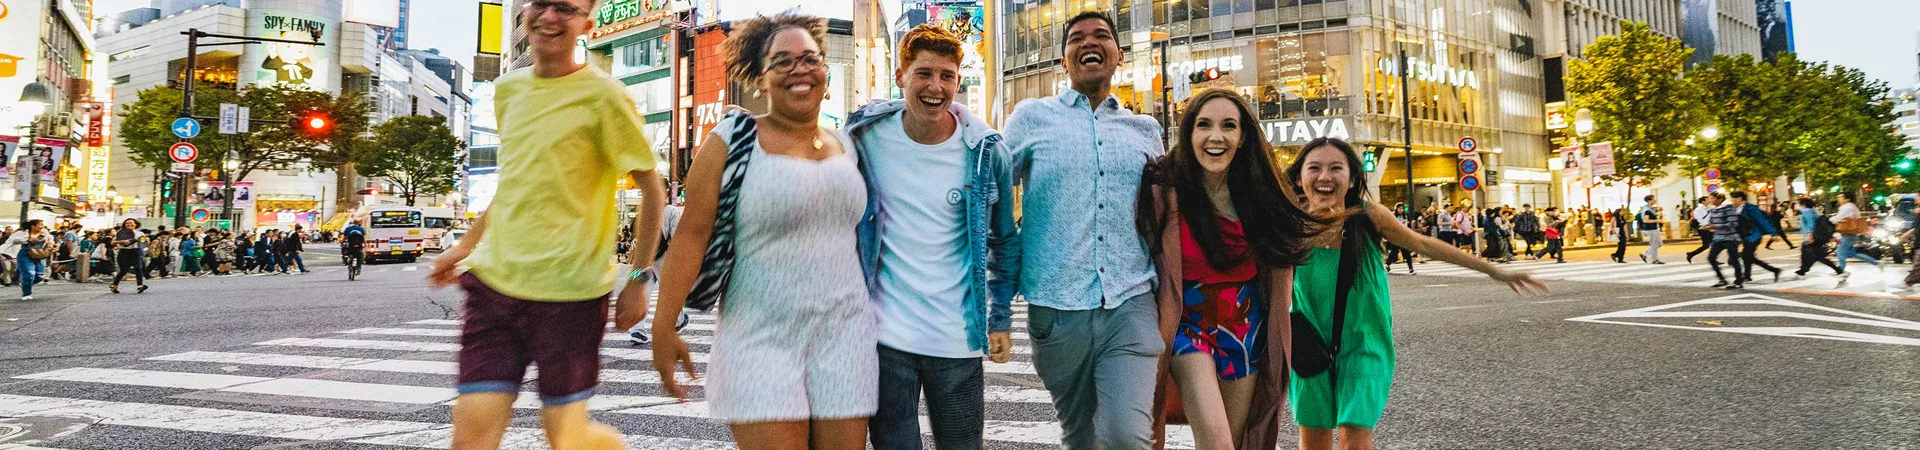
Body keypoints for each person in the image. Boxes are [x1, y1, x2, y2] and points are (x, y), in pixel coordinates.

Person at [425, 0, 667, 447]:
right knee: (471, 435)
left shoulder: (605, 96)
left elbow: (654, 190)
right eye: (541, 3)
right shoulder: (507, 90)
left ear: (586, 24)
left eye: (566, 8)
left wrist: (638, 278)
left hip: (570, 295)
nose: (549, 17)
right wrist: (464, 246)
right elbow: (515, 184)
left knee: (568, 440)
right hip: (494, 287)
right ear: (524, 12)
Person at [646, 12, 867, 450]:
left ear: (824, 69)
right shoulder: (732, 138)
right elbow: (692, 234)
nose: (799, 69)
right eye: (782, 61)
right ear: (761, 78)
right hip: (760, 342)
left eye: (810, 58)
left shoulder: (848, 145)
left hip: (846, 339)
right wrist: (663, 325)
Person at [1286, 138, 1546, 450]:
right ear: (1300, 176)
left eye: (1335, 168)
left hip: (1363, 344)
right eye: (1314, 168)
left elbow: (1423, 244)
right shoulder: (1289, 223)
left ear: (1352, 177)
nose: (1324, 176)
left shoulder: (1369, 216)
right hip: (1307, 344)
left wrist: (1493, 270)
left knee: (1354, 434)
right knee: (1313, 438)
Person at [844, 24, 1020, 450]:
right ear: (901, 75)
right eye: (924, 73)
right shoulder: (864, 136)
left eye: (946, 76)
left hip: (956, 339)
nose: (935, 87)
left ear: (958, 81)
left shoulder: (985, 152)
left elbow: (1004, 239)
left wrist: (999, 319)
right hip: (885, 340)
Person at [999, 11, 1166, 449]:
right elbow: (990, 193)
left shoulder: (1146, 131)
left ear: (1119, 55)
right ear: (1063, 59)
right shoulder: (1031, 119)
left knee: (1127, 438)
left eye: (1102, 36)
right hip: (1056, 308)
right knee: (1080, 435)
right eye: (1076, 38)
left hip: (1130, 302)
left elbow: (1168, 214)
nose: (1089, 43)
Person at [1141, 89, 1318, 450]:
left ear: (1242, 137)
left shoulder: (1260, 196)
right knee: (1218, 444)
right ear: (1189, 135)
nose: (1215, 136)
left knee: (1236, 444)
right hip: (1187, 327)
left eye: (1228, 126)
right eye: (1203, 125)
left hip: (1244, 329)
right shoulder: (1166, 192)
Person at [1730, 192, 1784, 284]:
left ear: (1739, 199)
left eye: (1733, 199)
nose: (1732, 201)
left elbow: (1762, 220)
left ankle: (1771, 271)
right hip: (1745, 236)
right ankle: (1749, 276)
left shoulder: (1751, 208)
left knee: (1746, 256)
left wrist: (1773, 233)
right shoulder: (1735, 209)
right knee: (1748, 257)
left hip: (1754, 236)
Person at [1701, 192, 1747, 289]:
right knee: (1711, 258)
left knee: (1733, 260)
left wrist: (1714, 226)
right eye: (1710, 198)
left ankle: (1738, 281)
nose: (1711, 200)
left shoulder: (1728, 208)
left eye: (1713, 198)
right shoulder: (1712, 210)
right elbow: (1712, 222)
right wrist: (1707, 226)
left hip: (1730, 238)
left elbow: (1732, 224)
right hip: (1718, 238)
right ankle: (1722, 279)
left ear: (1720, 199)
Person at [1793, 197, 1843, 279]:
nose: (1797, 205)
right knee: (1810, 254)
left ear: (1803, 204)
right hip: (1812, 236)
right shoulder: (1813, 211)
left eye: (1798, 203)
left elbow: (1811, 223)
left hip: (1810, 237)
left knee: (1815, 255)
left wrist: (1810, 234)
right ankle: (1802, 270)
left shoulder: (1807, 211)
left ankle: (1838, 270)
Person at [1832, 191, 1878, 280]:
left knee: (1840, 252)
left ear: (1847, 199)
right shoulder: (1853, 206)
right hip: (1853, 234)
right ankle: (1874, 262)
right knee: (1852, 253)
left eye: (1841, 197)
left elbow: (1838, 218)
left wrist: (1829, 219)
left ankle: (1841, 271)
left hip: (1847, 234)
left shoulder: (1846, 207)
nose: (1839, 198)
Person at [3, 220, 49, 300]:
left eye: (42, 225)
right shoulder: (22, 232)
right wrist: (28, 240)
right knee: (29, 274)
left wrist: (52, 244)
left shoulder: (44, 232)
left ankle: (25, 283)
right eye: (40, 224)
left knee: (40, 276)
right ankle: (26, 293)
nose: (42, 226)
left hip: (40, 254)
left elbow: (50, 239)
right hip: (25, 254)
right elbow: (13, 240)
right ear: (33, 226)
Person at [108, 219, 149, 294]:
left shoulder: (140, 233)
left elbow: (144, 242)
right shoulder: (121, 233)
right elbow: (112, 242)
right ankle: (115, 285)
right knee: (124, 270)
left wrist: (145, 241)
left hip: (136, 251)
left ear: (136, 224)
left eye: (131, 223)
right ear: (124, 225)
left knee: (138, 268)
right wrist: (122, 241)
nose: (129, 224)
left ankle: (140, 285)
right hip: (124, 252)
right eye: (127, 223)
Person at [1637, 195, 1665, 264]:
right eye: (1653, 199)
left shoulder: (1649, 209)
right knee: (1655, 244)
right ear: (1649, 201)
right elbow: (1645, 220)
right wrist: (1657, 221)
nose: (1655, 200)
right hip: (1650, 229)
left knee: (1658, 244)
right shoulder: (1647, 210)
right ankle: (1654, 260)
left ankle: (1645, 254)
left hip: (1653, 229)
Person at [1686, 196, 1712, 263]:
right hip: (1703, 228)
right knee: (1707, 245)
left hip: (1708, 228)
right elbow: (1699, 219)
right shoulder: (1698, 209)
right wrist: (1706, 226)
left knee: (1710, 244)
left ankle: (1691, 254)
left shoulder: (1708, 208)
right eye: (1708, 199)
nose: (1709, 200)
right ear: (1703, 201)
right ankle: (1691, 254)